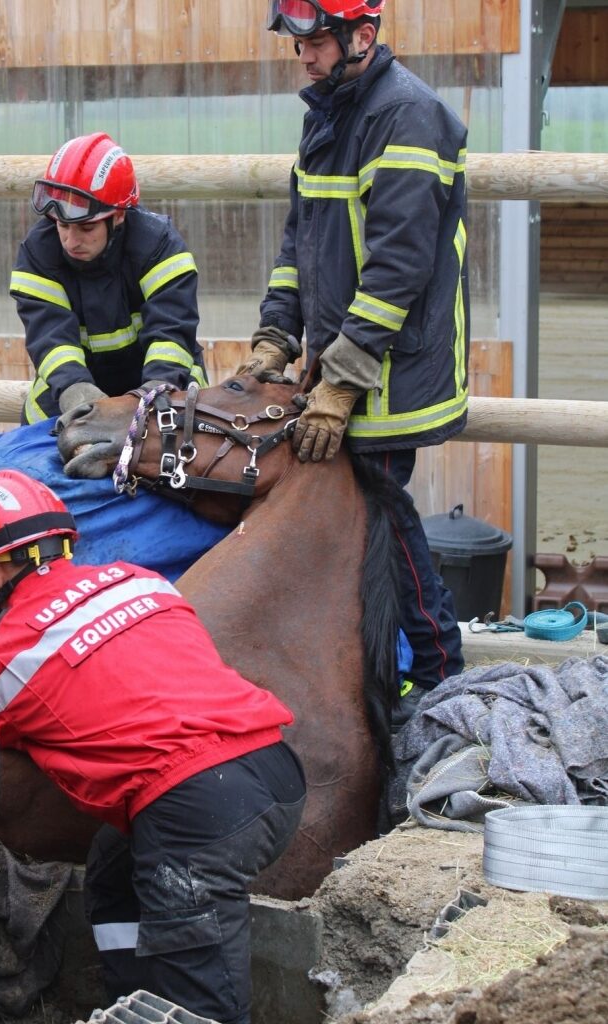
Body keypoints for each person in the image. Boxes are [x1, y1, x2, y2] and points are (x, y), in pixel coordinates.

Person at [0, 469, 306, 1024]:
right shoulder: (142, 582)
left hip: (196, 813)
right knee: (113, 875)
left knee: (202, 1006)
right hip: (275, 771)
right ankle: (126, 1004)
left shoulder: (6, 658)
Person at [242, 0, 467, 712]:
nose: (303, 58)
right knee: (365, 524)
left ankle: (442, 682)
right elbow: (299, 242)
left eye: (315, 43)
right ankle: (387, 682)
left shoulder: (407, 116)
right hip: (345, 368)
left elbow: (399, 265)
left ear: (361, 37)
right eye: (298, 45)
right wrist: (275, 335)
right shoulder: (331, 113)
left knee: (383, 525)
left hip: (391, 375)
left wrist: (338, 385)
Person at [11, 131, 208, 426]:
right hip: (70, 391)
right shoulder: (39, 253)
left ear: (118, 216)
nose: (70, 240)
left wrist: (148, 402)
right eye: (62, 224)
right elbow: (50, 338)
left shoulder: (159, 248)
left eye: (86, 228)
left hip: (162, 384)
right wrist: (76, 392)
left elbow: (171, 334)